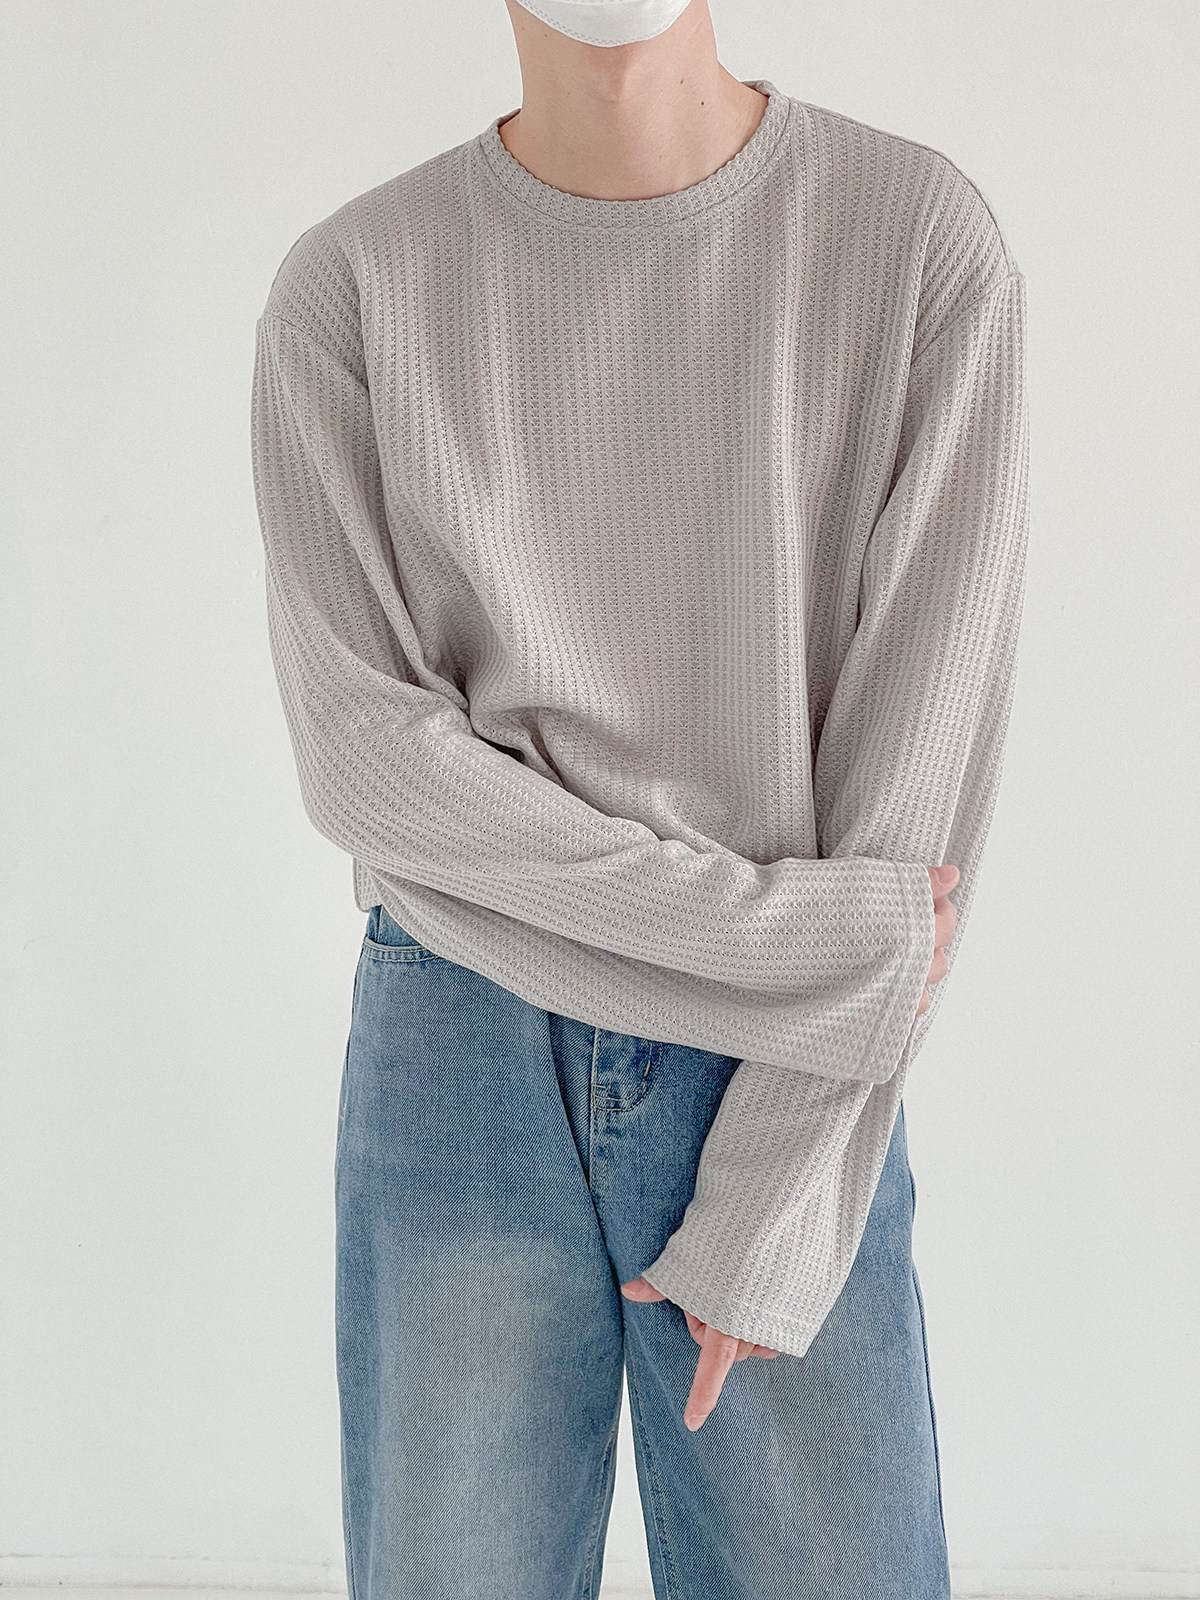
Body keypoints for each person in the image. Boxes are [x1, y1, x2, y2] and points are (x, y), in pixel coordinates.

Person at [249, 0, 1029, 1593]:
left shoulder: (915, 243)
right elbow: (363, 757)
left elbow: (916, 804)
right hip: (473, 1032)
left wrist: (780, 1192)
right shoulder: (354, 288)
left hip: (787, 1067)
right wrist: (787, 937)